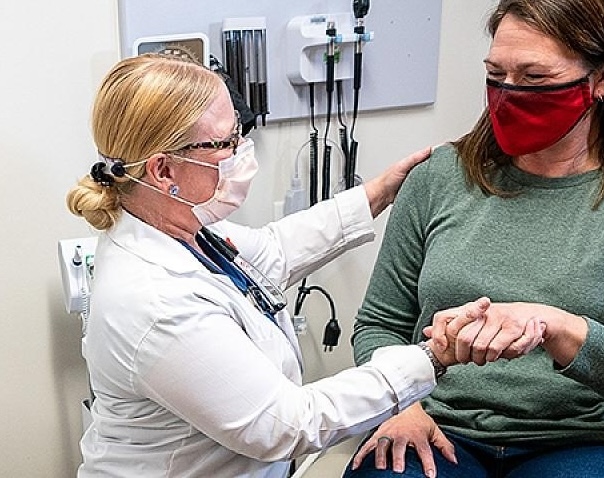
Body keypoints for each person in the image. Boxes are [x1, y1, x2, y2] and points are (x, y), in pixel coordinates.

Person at [65, 54, 544, 477]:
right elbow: (287, 424)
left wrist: (378, 192)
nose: (241, 151)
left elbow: (273, 250)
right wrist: (432, 356)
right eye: (225, 142)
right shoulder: (154, 301)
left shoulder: (182, 229)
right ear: (163, 170)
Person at [344, 1, 604, 477]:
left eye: (535, 79)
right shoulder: (441, 176)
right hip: (436, 427)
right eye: (496, 73)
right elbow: (380, 324)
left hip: (590, 439)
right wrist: (398, 403)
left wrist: (558, 328)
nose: (509, 93)